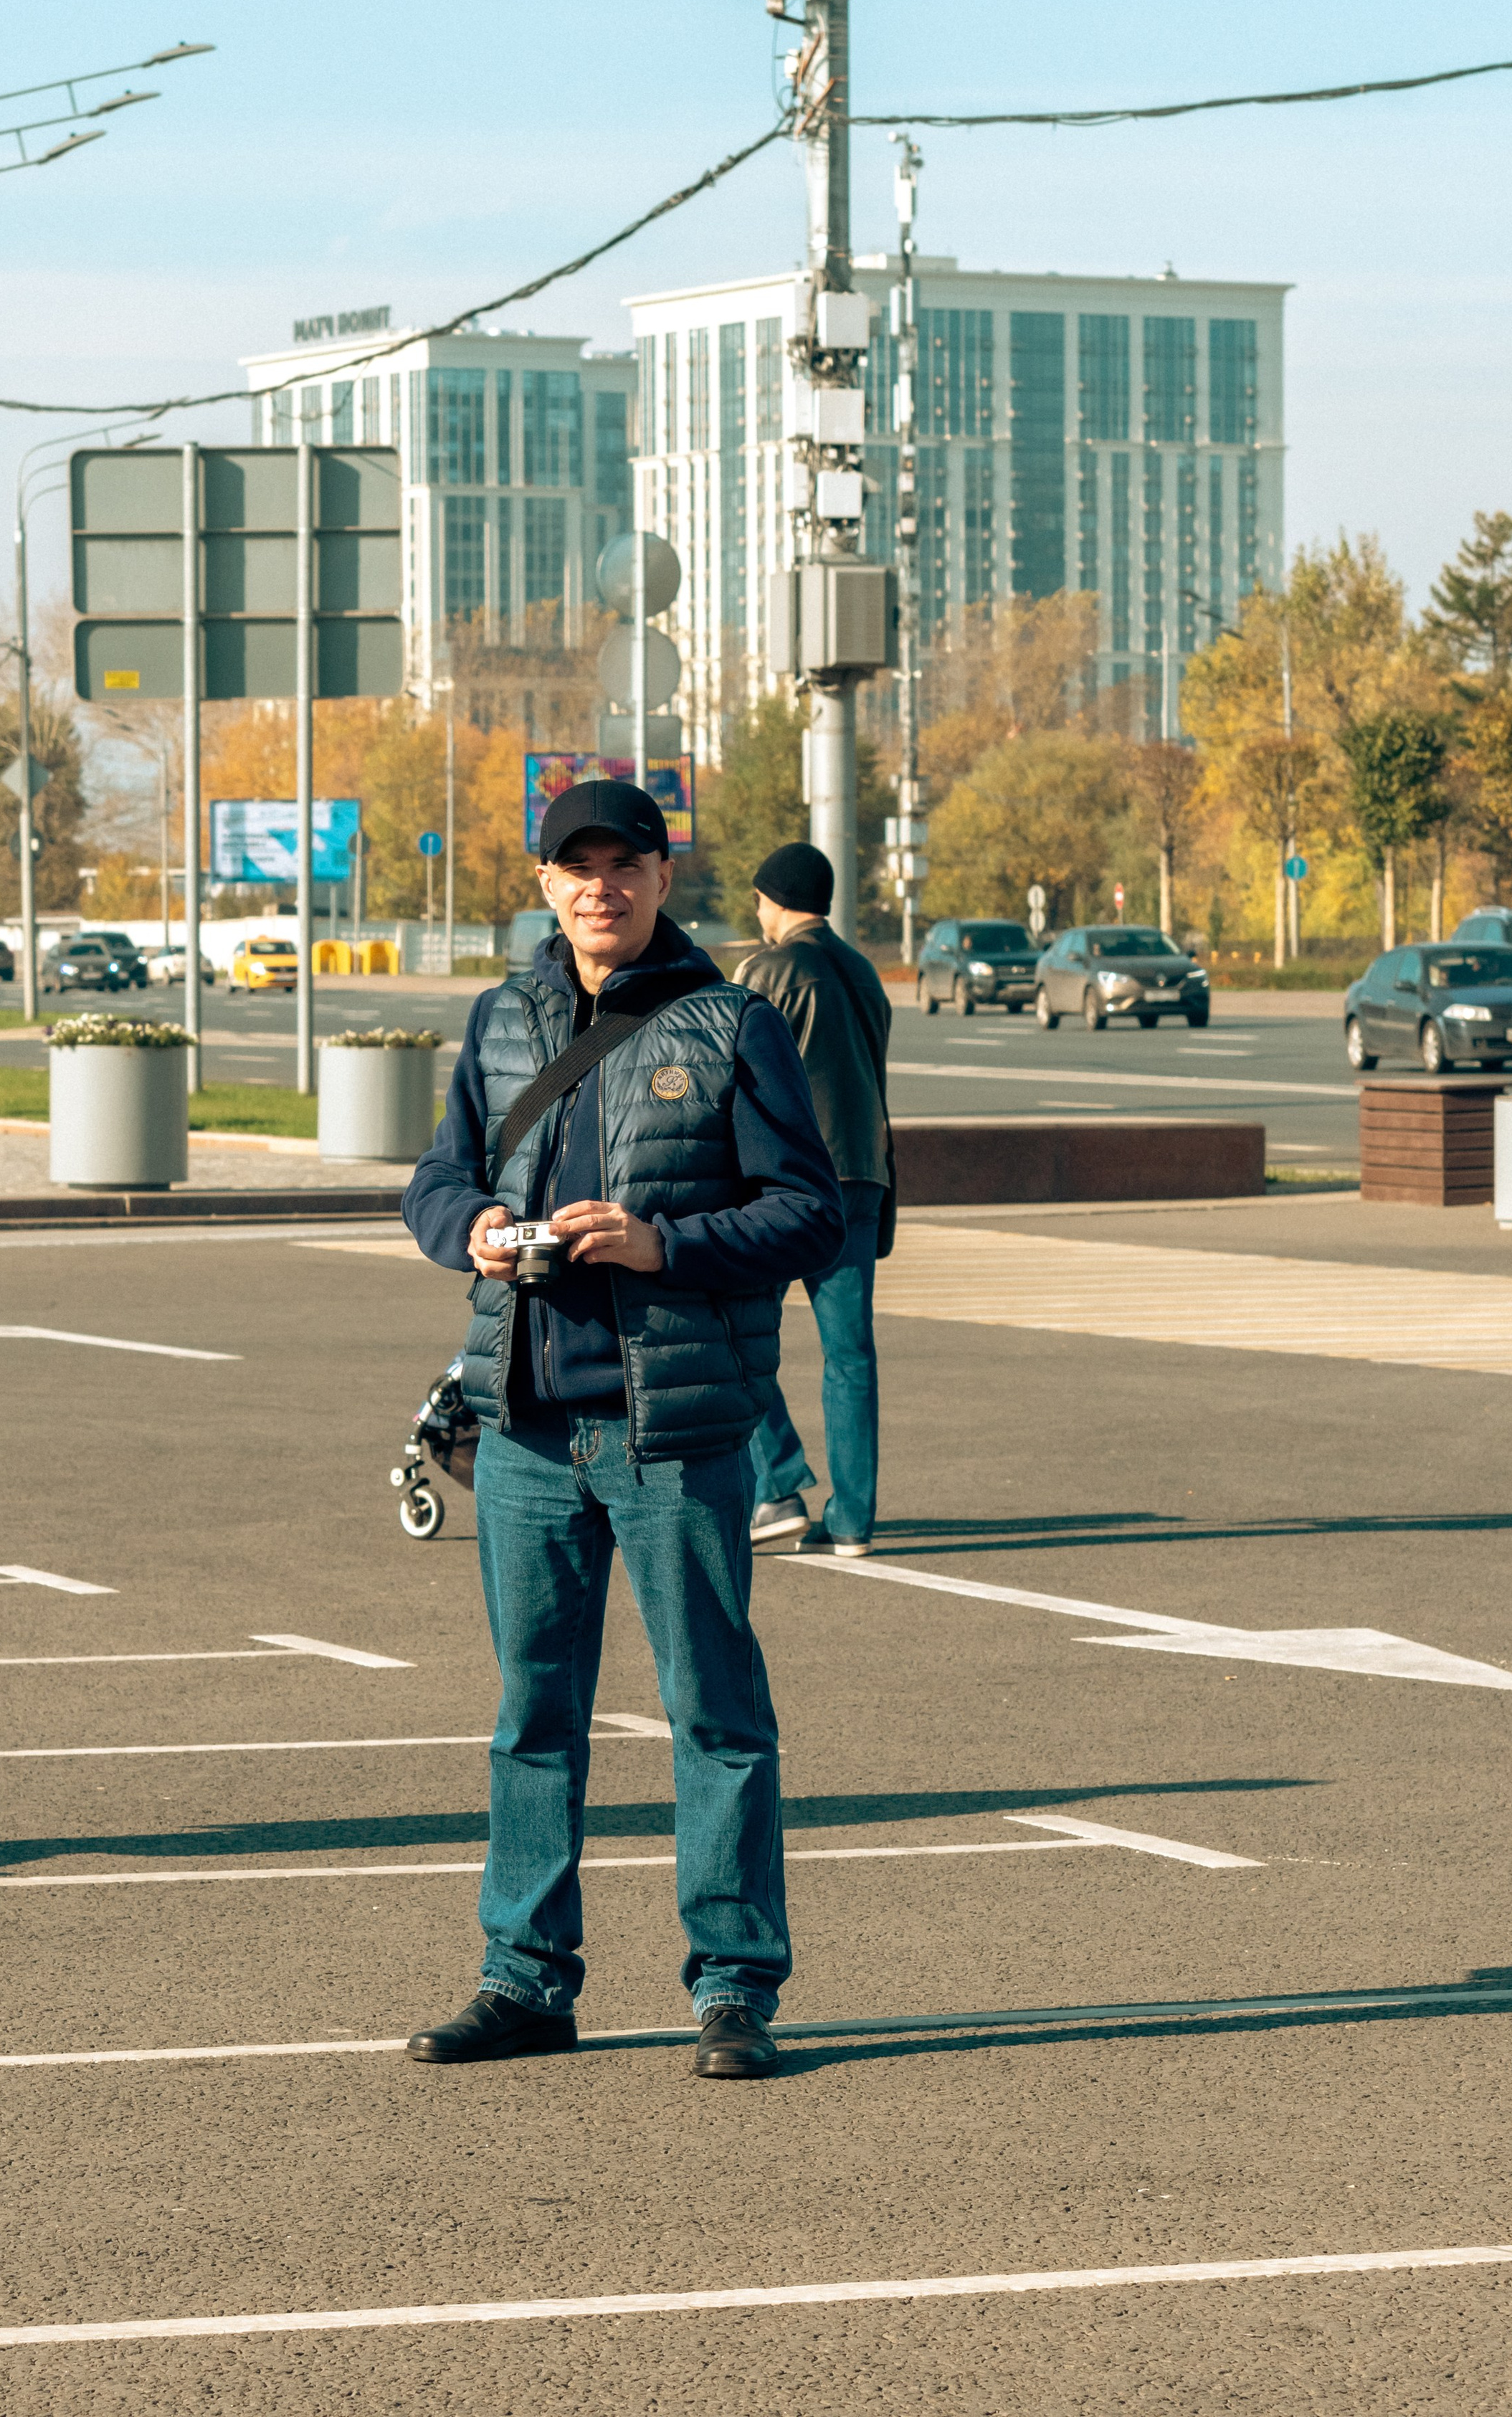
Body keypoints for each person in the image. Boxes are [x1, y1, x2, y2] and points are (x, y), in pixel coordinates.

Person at [401, 779, 844, 2079]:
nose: (602, 886)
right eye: (577, 866)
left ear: (662, 877)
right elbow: (437, 1178)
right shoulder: (502, 1020)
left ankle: (734, 1988)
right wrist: (473, 1229)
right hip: (528, 1429)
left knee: (715, 1713)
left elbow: (810, 1212)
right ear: (545, 883)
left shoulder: (730, 1023)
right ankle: (525, 1979)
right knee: (533, 1716)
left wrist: (664, 1244)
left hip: (673, 1432)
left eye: (625, 864)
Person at [731, 842, 893, 1559]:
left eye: (759, 900)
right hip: (861, 1175)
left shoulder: (767, 970)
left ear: (774, 899)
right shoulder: (864, 972)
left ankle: (778, 1485)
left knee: (732, 1332)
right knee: (849, 1355)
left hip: (788, 1183)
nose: (758, 913)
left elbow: (738, 1074)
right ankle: (853, 1521)